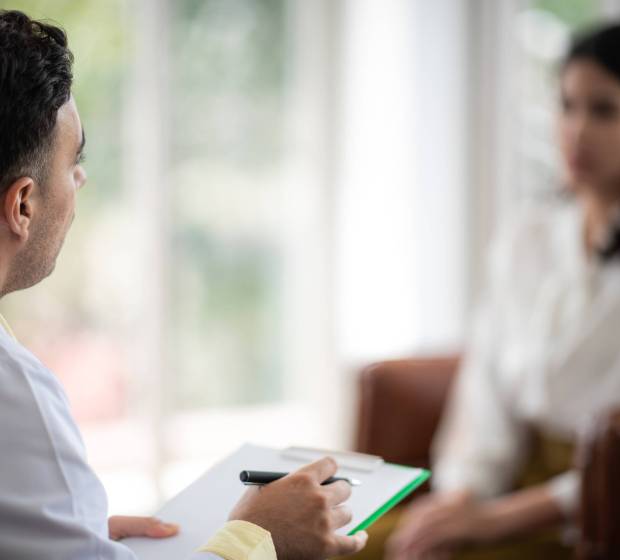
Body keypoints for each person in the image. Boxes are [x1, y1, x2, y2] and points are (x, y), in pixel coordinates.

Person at [0, 10, 368, 560]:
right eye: (73, 162)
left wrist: (63, 531)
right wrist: (261, 538)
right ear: (23, 204)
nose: (81, 180)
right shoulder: (16, 396)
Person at [383, 20, 620, 560]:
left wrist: (494, 522)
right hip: (501, 488)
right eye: (567, 105)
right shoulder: (528, 237)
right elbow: (484, 392)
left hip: (594, 515)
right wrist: (460, 500)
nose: (576, 129)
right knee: (347, 544)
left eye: (604, 109)